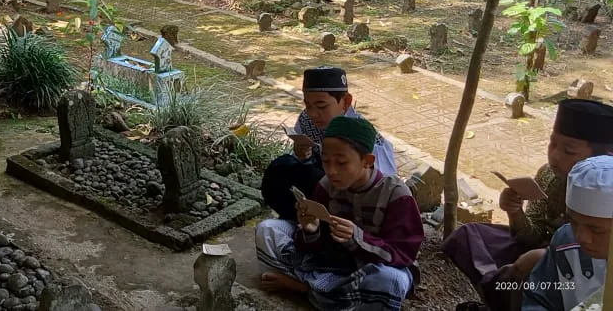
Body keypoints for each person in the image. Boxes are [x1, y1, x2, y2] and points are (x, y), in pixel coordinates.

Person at [441, 99, 613, 310]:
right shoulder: (548, 176)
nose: (555, 156)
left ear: (605, 158)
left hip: (563, 258)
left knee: (527, 266)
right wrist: (515, 212)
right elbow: (534, 234)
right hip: (545, 249)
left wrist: (543, 256)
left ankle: (496, 288)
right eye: (552, 144)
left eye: (569, 151)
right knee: (469, 234)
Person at [256, 117, 424, 310]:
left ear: (367, 161)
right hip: (329, 264)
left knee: (392, 281)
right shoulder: (326, 186)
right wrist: (311, 231)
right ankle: (330, 295)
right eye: (326, 162)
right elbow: (316, 247)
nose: (332, 171)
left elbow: (404, 254)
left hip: (369, 272)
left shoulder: (396, 194)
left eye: (342, 163)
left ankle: (304, 288)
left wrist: (358, 238)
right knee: (267, 230)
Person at [259, 66, 396, 222]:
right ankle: (299, 221)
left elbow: (385, 187)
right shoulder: (307, 120)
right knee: (281, 167)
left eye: (322, 106)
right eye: (308, 105)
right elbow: (306, 163)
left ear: (345, 102)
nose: (313, 114)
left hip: (355, 198)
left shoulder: (366, 138)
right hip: (324, 184)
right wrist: (302, 155)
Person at [523, 155, 612, 310]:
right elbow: (540, 299)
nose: (581, 237)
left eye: (596, 229)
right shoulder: (565, 241)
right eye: (574, 222)